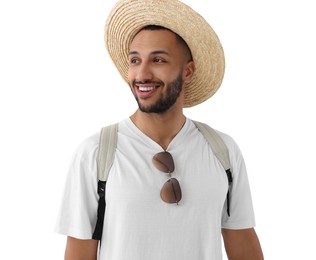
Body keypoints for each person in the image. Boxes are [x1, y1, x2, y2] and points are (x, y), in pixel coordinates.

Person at [55, 0, 264, 259]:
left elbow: (243, 243)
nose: (142, 74)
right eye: (135, 60)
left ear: (187, 71)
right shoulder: (96, 152)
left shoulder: (222, 150)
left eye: (158, 59)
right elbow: (79, 253)